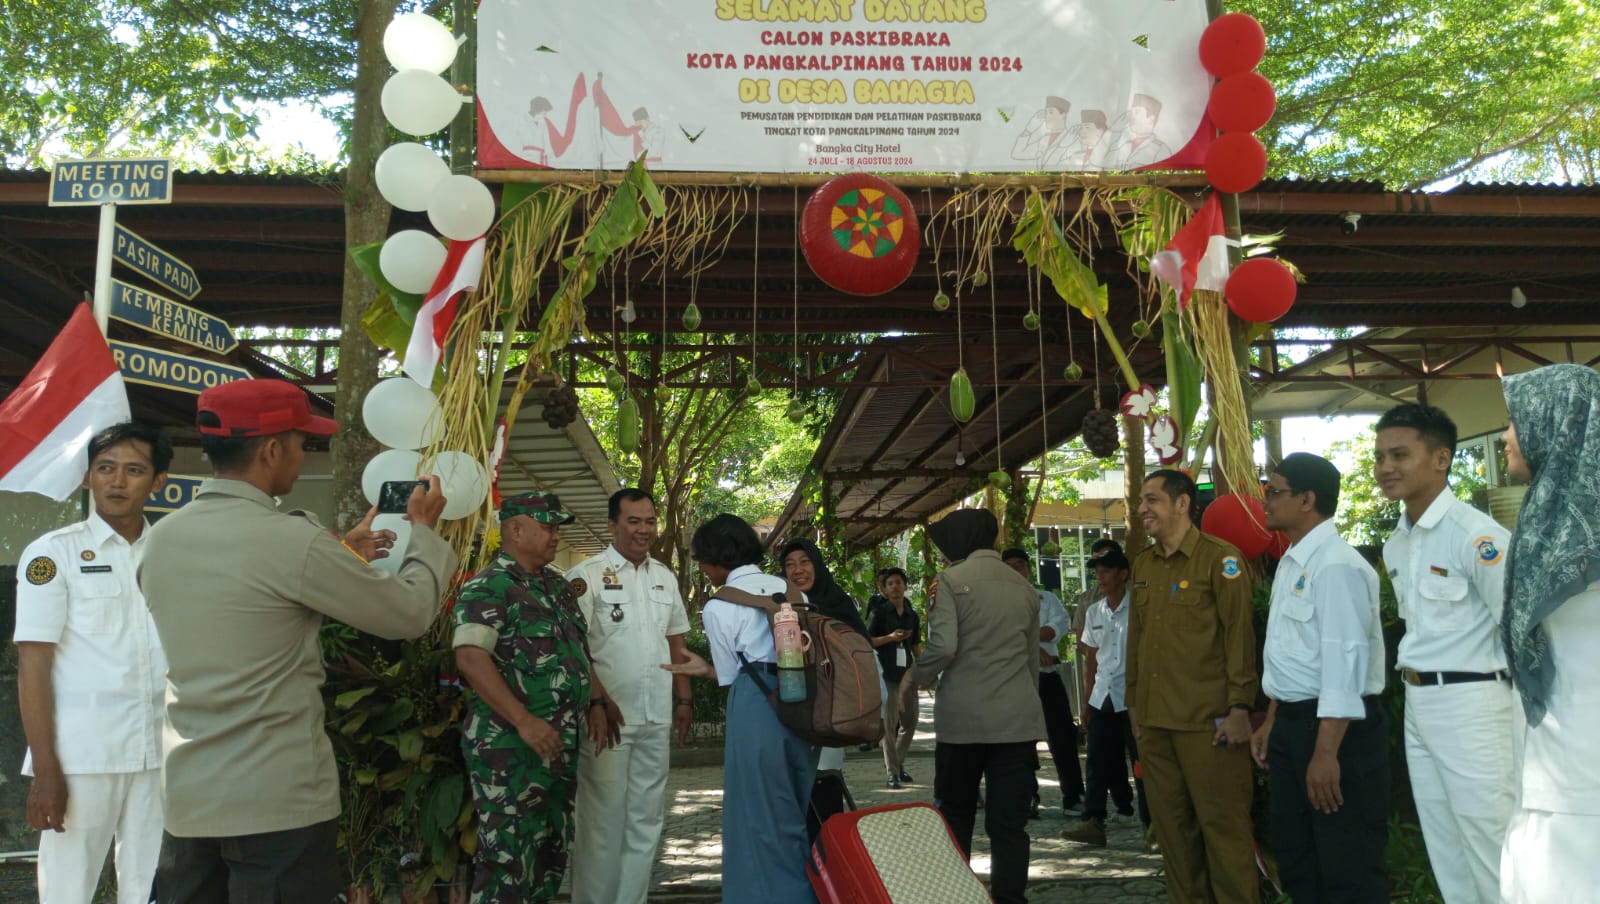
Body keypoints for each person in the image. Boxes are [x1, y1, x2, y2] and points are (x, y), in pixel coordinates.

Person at [139, 379, 458, 903]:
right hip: (276, 800)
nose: (303, 455)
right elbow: (407, 613)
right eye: (301, 443)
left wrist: (334, 552)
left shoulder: (162, 539)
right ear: (270, 450)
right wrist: (423, 532)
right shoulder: (292, 541)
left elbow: (244, 600)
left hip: (189, 798)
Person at [14, 422, 170, 904]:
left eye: (134, 470)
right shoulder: (51, 555)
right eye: (105, 468)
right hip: (82, 759)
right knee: (66, 892)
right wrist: (45, 771)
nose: (117, 481)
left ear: (158, 481)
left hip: (162, 756)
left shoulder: (173, 550)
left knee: (154, 891)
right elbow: (33, 665)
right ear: (87, 478)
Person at [1374, 403, 1515, 903]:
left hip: (1475, 704)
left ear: (1440, 459)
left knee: (1492, 842)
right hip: (1420, 700)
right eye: (1380, 457)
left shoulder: (1477, 537)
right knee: (1446, 844)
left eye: (1399, 455)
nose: (1385, 468)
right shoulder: (1399, 542)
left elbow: (1521, 629)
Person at [455, 491, 614, 903]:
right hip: (508, 749)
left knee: (549, 856)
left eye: (557, 526)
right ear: (514, 529)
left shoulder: (557, 586)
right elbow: (472, 659)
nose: (555, 534)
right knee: (506, 863)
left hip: (557, 745)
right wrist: (524, 721)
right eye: (547, 525)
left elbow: (575, 651)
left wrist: (596, 700)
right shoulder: (490, 587)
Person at [1251, 453, 1389, 902]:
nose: (1265, 501)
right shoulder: (1294, 561)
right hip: (1295, 724)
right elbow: (1294, 657)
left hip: (1335, 731)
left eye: (1274, 491)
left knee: (1345, 860)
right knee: (1297, 856)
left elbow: (1342, 664)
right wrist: (1273, 719)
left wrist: (1326, 751)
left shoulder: (1335, 565)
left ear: (1307, 499)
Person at [1126, 468, 1259, 904]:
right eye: (1142, 501)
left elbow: (1240, 638)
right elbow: (1137, 644)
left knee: (1224, 833)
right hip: (1155, 725)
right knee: (1174, 840)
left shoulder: (1221, 559)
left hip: (1210, 725)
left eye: (1152, 500)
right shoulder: (1143, 564)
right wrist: (1135, 710)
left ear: (1182, 504)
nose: (1142, 509)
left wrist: (1240, 707)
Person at [899, 508, 1045, 904]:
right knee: (1009, 824)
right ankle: (1010, 898)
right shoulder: (1024, 587)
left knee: (956, 814)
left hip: (964, 722)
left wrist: (917, 676)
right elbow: (1031, 661)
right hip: (1016, 721)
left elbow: (944, 646)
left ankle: (958, 895)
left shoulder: (948, 581)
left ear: (959, 542)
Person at [1496, 365, 1600, 901]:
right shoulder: (1546, 522)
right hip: (1550, 755)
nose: (1506, 437)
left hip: (1583, 768)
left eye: (1516, 421)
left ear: (1555, 424)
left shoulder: (1587, 524)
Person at [565, 489, 691, 904]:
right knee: (602, 823)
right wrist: (596, 701)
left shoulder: (664, 577)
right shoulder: (586, 575)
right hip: (607, 722)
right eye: (634, 521)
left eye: (650, 521)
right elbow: (572, 647)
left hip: (655, 717)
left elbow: (677, 644)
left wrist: (684, 701)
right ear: (612, 525)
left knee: (646, 822)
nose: (644, 530)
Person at [694, 514, 817, 903]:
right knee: (794, 807)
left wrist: (702, 671)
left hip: (755, 704)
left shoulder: (719, 605)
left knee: (754, 815)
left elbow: (729, 674)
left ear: (715, 559)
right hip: (804, 702)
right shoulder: (794, 593)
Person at [778, 537, 876, 835]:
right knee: (792, 791)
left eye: (805, 562)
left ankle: (829, 866)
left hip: (831, 709)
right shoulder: (779, 605)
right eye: (790, 565)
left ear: (817, 565)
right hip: (792, 713)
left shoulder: (838, 603)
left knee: (823, 790)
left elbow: (863, 655)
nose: (798, 570)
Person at [1061, 543, 1150, 847]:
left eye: (1107, 570)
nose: (1101, 576)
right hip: (1102, 697)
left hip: (1133, 699)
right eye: (1098, 571)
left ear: (1123, 574)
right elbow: (1091, 660)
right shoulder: (1095, 611)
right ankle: (1093, 821)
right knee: (1097, 762)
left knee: (1141, 763)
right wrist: (1086, 702)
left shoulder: (1139, 608)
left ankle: (1153, 825)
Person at [1001, 547, 1084, 817]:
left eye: (1021, 565)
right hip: (1015, 678)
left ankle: (1073, 796)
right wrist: (1036, 645)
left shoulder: (1046, 598)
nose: (1017, 570)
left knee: (1062, 736)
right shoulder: (997, 601)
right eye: (1010, 565)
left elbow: (1058, 627)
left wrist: (1028, 638)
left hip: (1047, 677)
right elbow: (1002, 635)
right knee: (1020, 739)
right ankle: (1027, 797)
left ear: (1028, 568)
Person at [866, 566, 920, 787]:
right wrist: (889, 637)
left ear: (905, 586)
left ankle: (898, 763)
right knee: (890, 725)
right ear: (885, 590)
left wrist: (923, 671)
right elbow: (867, 641)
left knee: (910, 722)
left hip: (907, 674)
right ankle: (892, 773)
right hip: (886, 673)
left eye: (899, 582)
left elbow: (915, 646)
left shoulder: (912, 615)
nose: (895, 587)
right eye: (890, 584)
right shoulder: (878, 613)